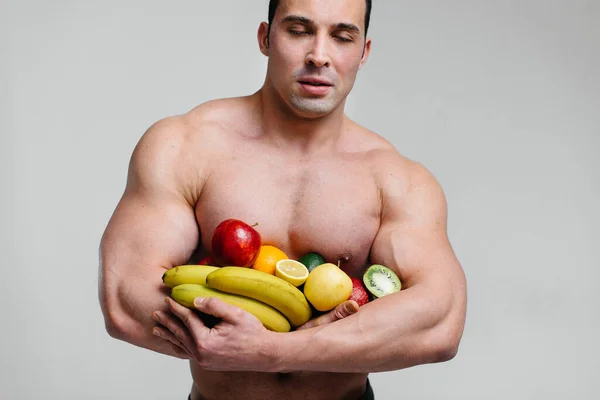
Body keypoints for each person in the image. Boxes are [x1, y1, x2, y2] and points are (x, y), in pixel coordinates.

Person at [98, 0, 467, 399]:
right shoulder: (185, 146)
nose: (319, 56)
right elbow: (125, 297)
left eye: (342, 37)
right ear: (265, 37)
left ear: (364, 53)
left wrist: (272, 351)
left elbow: (440, 323)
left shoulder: (396, 179)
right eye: (299, 30)